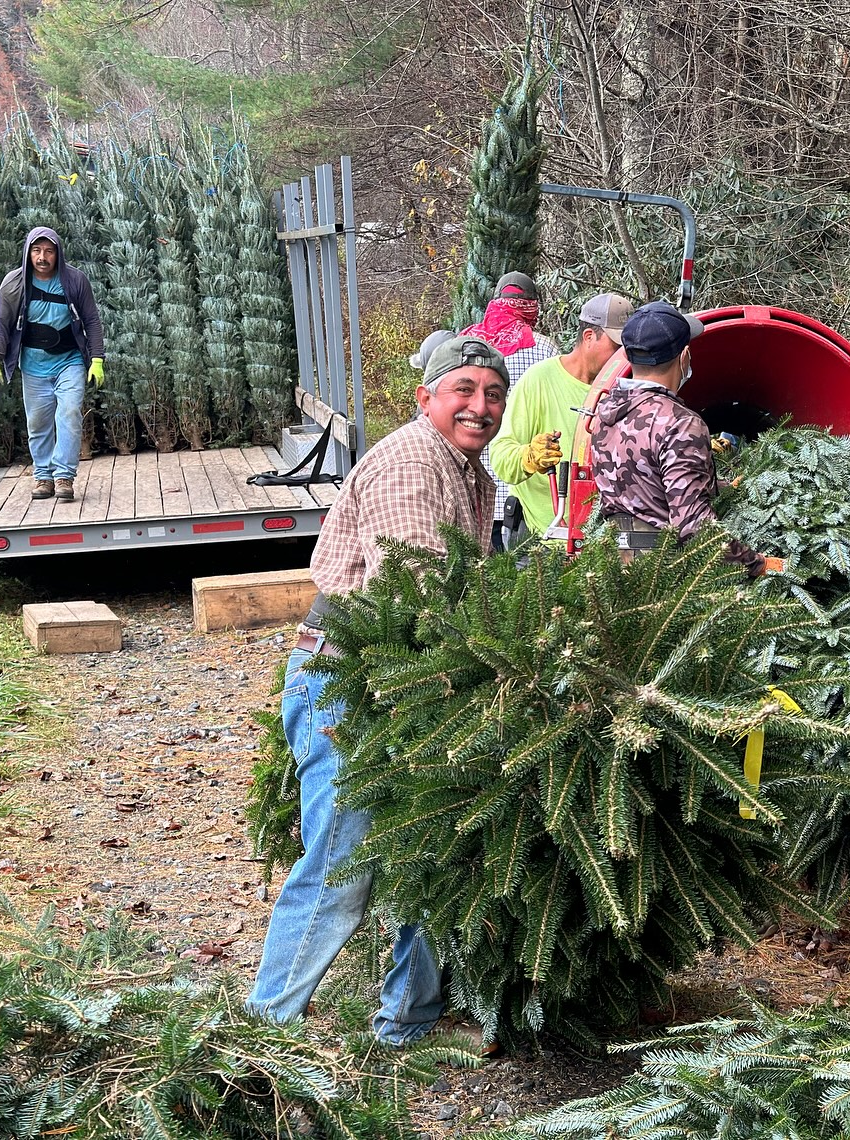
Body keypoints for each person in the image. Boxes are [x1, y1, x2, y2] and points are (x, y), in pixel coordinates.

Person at [246, 336, 510, 1046]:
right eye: (464, 390)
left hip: (412, 679)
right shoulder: (409, 462)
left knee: (429, 852)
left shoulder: (470, 472)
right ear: (426, 398)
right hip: (350, 683)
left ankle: (410, 1023)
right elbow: (419, 590)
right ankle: (260, 1038)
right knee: (342, 865)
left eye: (492, 393)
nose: (479, 406)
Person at [588, 300, 764, 573]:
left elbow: (644, 484)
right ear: (684, 357)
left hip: (614, 569)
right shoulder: (680, 423)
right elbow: (694, 526)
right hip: (664, 576)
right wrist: (754, 563)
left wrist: (720, 486)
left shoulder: (605, 414)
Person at [490, 292, 633, 539]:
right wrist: (529, 457)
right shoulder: (539, 380)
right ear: (589, 337)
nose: (623, 356)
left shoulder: (623, 387)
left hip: (600, 545)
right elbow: (500, 456)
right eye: (617, 347)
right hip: (542, 542)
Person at [0, 227, 105, 503]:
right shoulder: (14, 284)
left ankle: (64, 476)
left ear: (57, 253)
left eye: (49, 251)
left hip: (70, 361)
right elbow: (0, 324)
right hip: (33, 366)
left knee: (70, 413)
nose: (42, 257)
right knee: (38, 424)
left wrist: (96, 359)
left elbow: (91, 320)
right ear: (28, 253)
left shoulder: (75, 280)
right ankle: (43, 477)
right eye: (37, 251)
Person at [461, 271, 560, 550]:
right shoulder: (545, 349)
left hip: (471, 481)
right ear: (532, 306)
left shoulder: (464, 345)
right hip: (523, 490)